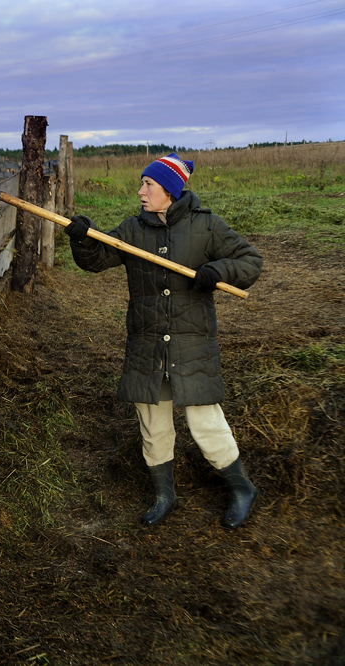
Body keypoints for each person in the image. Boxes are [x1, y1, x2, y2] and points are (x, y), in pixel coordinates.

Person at [65, 153, 263, 528]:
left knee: (206, 422)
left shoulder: (206, 228)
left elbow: (250, 261)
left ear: (170, 191)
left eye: (148, 184)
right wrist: (83, 239)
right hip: (147, 344)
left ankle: (241, 488)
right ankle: (164, 494)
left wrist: (216, 270)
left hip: (192, 343)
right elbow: (96, 258)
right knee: (153, 423)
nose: (140, 191)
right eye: (142, 183)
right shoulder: (132, 230)